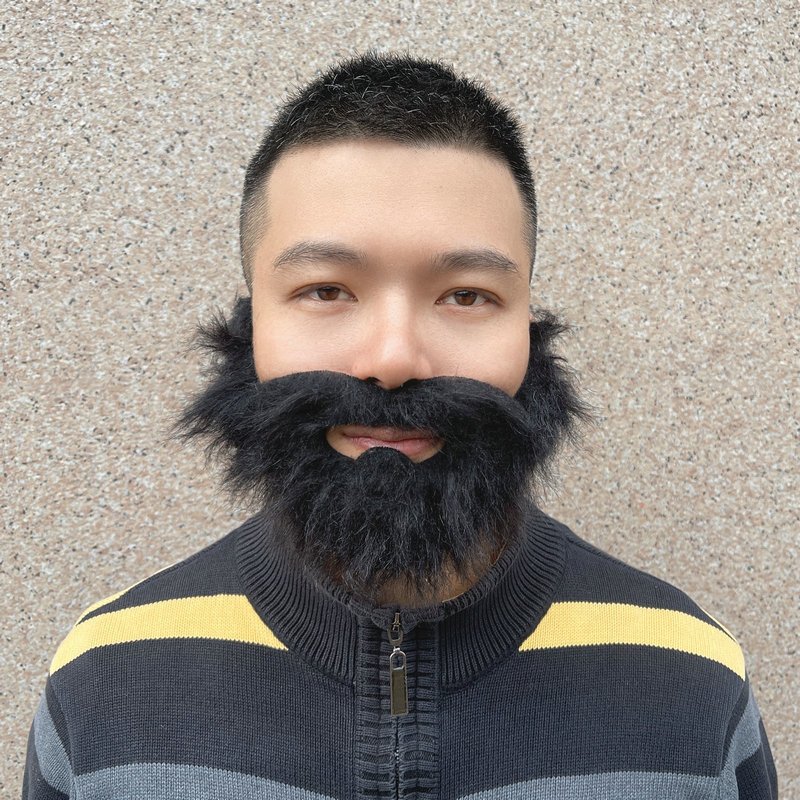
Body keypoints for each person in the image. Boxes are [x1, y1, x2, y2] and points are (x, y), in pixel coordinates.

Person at [23, 51, 777, 799]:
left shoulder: (691, 679)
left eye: (466, 296)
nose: (392, 360)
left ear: (529, 330)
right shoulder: (103, 681)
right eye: (325, 290)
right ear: (251, 327)